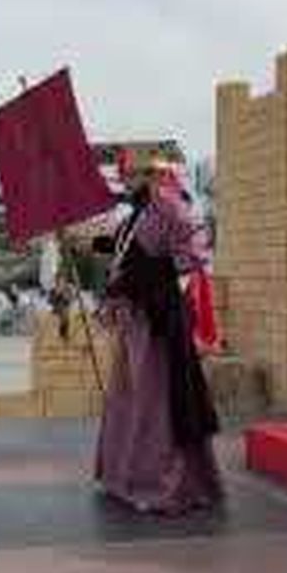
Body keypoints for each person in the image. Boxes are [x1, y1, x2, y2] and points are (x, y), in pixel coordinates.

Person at [92, 156, 222, 514]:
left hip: (159, 320)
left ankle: (166, 485)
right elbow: (123, 254)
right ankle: (127, 478)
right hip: (136, 319)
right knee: (131, 399)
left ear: (151, 175)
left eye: (132, 174)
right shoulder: (137, 214)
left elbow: (192, 253)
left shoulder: (169, 207)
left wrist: (153, 276)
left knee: (156, 400)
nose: (125, 180)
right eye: (124, 175)